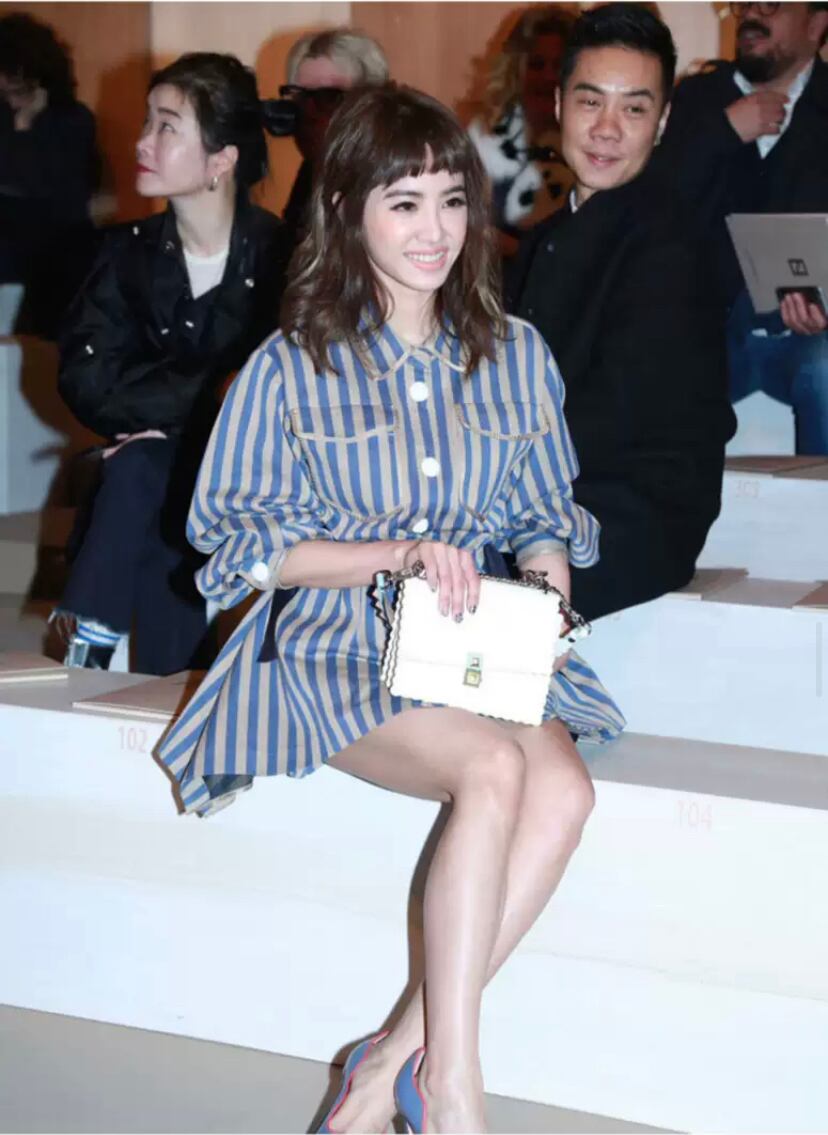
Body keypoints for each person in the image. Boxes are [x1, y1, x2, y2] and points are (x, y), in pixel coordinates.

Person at [157, 84, 624, 1134]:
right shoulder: (290, 366)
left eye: (451, 200)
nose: (434, 229)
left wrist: (549, 594)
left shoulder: (515, 353)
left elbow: (542, 515)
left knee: (565, 792)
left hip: (470, 640)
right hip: (332, 645)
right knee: (494, 767)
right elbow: (244, 550)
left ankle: (385, 1071)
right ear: (347, 211)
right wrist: (398, 552)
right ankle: (453, 1084)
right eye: (403, 202)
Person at [54, 53, 290, 675]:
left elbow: (275, 391)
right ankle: (150, 667)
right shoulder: (123, 254)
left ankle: (93, 635)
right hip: (156, 479)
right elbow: (86, 380)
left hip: (255, 481)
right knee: (148, 470)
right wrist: (196, 408)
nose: (142, 142)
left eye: (166, 126)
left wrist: (167, 423)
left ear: (221, 160)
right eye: (147, 122)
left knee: (142, 467)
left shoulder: (283, 258)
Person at [509, 3, 736, 623]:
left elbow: (611, 416)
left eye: (634, 109)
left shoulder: (674, 244)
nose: (607, 129)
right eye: (591, 102)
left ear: (662, 122)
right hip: (545, 494)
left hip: (629, 515)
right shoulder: (542, 240)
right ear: (560, 105)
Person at [656, 1, 828, 454]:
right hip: (703, 330)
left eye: (771, 3)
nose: (751, 14)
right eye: (743, 3)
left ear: (816, 24)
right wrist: (723, 132)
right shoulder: (696, 98)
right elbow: (651, 206)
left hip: (810, 338)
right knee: (651, 364)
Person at [0, 11, 99, 337]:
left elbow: (54, 191)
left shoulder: (73, 120)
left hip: (58, 257)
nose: (10, 91)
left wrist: (25, 125)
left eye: (18, 83)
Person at [468, 5, 576, 258]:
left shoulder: (591, 142)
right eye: (537, 65)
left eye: (558, 66)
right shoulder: (482, 136)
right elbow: (464, 222)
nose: (548, 77)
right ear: (516, 69)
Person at [278, 28, 388, 252]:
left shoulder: (393, 173)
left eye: (328, 98)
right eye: (300, 97)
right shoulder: (312, 172)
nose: (309, 112)